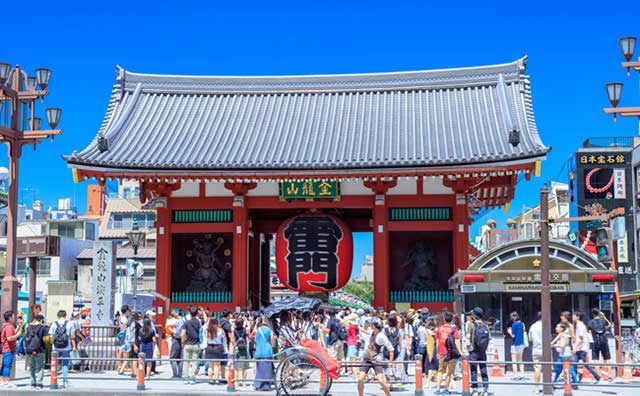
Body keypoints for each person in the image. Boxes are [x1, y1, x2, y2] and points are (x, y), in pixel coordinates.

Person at [356, 318, 393, 396]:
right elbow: (364, 330)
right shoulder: (371, 332)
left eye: (371, 324)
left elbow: (391, 349)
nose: (370, 325)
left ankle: (388, 395)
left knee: (381, 381)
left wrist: (390, 361)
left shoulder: (382, 336)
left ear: (375, 326)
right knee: (360, 379)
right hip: (367, 359)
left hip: (376, 359)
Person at [49, 310, 77, 388]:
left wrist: (52, 344)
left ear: (58, 316)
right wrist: (74, 346)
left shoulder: (54, 324)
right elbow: (72, 337)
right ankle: (65, 382)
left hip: (56, 348)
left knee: (54, 365)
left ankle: (54, 382)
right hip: (66, 347)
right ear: (65, 315)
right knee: (65, 365)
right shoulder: (70, 324)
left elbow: (51, 336)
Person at [435, 311, 461, 395]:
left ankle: (438, 389)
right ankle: (446, 389)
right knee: (449, 372)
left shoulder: (439, 329)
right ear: (452, 320)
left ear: (444, 319)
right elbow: (457, 343)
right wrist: (461, 352)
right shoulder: (454, 330)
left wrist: (438, 352)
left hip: (442, 352)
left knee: (440, 371)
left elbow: (438, 342)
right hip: (451, 353)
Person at [573, 311, 600, 383]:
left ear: (578, 317)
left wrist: (575, 347)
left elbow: (581, 338)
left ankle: (596, 376)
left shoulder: (580, 325)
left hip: (581, 348)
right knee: (575, 364)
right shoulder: (579, 325)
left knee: (579, 364)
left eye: (574, 316)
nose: (573, 317)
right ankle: (575, 380)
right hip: (581, 348)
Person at [467, 307, 490, 396]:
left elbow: (468, 337)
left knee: (473, 371)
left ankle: (475, 390)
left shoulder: (471, 325)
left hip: (474, 351)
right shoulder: (485, 325)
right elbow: (489, 337)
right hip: (482, 351)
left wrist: (467, 349)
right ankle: (485, 390)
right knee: (483, 370)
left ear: (474, 315)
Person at [587, 308, 612, 380]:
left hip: (595, 341)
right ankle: (610, 375)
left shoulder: (590, 322)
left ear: (593, 314)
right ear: (599, 313)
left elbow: (589, 332)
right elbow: (609, 324)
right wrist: (604, 317)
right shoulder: (603, 321)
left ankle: (598, 376)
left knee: (596, 358)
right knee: (607, 358)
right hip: (604, 340)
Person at [25, 314, 47, 389]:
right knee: (40, 367)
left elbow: (26, 338)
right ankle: (39, 383)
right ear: (41, 320)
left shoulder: (29, 327)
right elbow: (45, 339)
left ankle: (32, 383)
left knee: (32, 367)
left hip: (30, 349)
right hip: (40, 349)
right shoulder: (43, 328)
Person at [1, 311, 22, 388]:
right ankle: (6, 381)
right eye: (13, 316)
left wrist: (19, 327)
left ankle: (2, 380)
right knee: (7, 365)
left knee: (4, 365)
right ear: (9, 318)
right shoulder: (9, 327)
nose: (14, 318)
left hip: (6, 348)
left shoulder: (6, 325)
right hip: (8, 348)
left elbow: (12, 333)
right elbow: (9, 338)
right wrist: (17, 335)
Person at [552, 322, 578, 387]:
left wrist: (554, 345)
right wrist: (551, 343)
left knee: (569, 369)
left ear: (562, 328)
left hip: (565, 355)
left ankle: (575, 383)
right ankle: (554, 382)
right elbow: (556, 338)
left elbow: (562, 345)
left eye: (557, 327)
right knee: (559, 369)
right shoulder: (561, 334)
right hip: (563, 354)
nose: (556, 328)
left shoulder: (563, 336)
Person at [253, 316, 275, 391]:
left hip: (259, 351)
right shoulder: (270, 330)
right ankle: (266, 385)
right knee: (267, 369)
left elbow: (255, 340)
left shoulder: (257, 330)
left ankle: (258, 385)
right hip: (267, 351)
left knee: (259, 369)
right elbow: (272, 343)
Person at [181, 306, 202, 384]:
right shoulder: (198, 322)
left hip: (188, 343)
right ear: (197, 313)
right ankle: (193, 378)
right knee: (194, 362)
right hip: (196, 343)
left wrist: (182, 342)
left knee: (186, 361)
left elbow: (183, 334)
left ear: (189, 312)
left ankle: (185, 378)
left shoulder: (186, 322)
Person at [205, 317, 227, 385]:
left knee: (210, 365)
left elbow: (205, 339)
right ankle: (217, 380)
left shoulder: (207, 330)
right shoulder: (220, 330)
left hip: (209, 347)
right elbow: (223, 339)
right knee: (217, 365)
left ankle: (210, 380)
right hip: (218, 347)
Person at [507, 311, 526, 380]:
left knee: (514, 361)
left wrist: (509, 332)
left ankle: (515, 375)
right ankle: (522, 375)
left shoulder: (514, 325)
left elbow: (513, 336)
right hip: (521, 344)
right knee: (520, 360)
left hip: (515, 344)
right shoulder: (522, 324)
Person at [528, 312, 543, 394]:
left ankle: (536, 387)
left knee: (537, 368)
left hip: (536, 349)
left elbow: (530, 338)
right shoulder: (546, 325)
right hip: (546, 350)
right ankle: (548, 385)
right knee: (549, 368)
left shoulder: (533, 326)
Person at [167, 309, 184, 378]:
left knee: (172, 358)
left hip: (177, 340)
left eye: (173, 312)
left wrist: (172, 331)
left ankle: (175, 374)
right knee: (180, 358)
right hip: (181, 341)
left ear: (177, 313)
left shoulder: (179, 322)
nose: (172, 313)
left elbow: (178, 333)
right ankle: (179, 374)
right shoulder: (183, 320)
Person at [233, 318, 250, 386]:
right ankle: (244, 382)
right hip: (244, 348)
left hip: (237, 348)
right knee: (244, 366)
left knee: (236, 366)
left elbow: (233, 339)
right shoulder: (245, 329)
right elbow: (249, 327)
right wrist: (246, 320)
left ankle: (236, 382)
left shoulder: (234, 330)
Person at [219, 308, 234, 381]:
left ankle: (214, 377)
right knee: (223, 362)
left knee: (215, 362)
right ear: (228, 315)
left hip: (217, 343)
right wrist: (234, 344)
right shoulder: (227, 324)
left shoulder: (219, 321)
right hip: (225, 345)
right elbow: (230, 336)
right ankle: (223, 377)